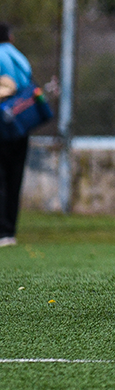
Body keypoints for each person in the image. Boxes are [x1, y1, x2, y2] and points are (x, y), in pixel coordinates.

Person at [0, 24, 34, 248]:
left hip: (3, 122)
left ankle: (1, 229)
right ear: (10, 37)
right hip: (23, 124)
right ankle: (9, 231)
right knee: (15, 176)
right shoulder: (20, 57)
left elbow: (8, 87)